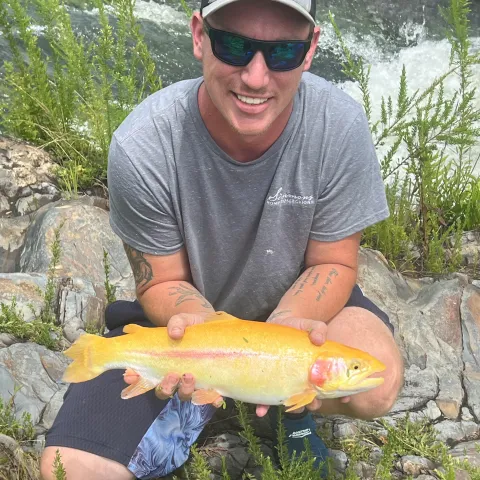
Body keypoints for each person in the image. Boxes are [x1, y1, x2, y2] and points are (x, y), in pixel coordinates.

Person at [40, 0, 404, 478]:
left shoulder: (339, 126)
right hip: (190, 325)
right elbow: (160, 280)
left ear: (311, 49)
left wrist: (288, 323)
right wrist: (206, 338)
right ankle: (216, 397)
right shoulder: (143, 144)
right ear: (199, 36)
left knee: (378, 383)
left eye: (283, 52)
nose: (256, 77)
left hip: (300, 315)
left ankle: (282, 405)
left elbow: (333, 262)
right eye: (234, 46)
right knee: (70, 468)